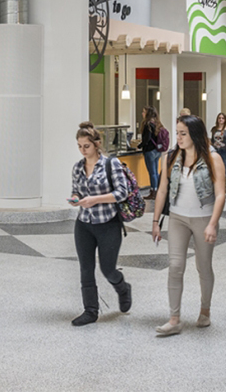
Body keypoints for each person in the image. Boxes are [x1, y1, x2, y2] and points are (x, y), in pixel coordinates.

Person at [152, 114, 226, 336]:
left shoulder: (213, 159)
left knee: (203, 266)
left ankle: (205, 310)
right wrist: (155, 221)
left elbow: (221, 194)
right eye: (177, 133)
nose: (179, 138)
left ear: (195, 134)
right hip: (177, 218)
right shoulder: (171, 157)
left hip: (204, 219)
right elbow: (162, 190)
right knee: (175, 266)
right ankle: (174, 319)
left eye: (183, 133)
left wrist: (213, 224)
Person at [69, 121, 132, 327]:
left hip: (108, 223)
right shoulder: (78, 167)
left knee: (108, 269)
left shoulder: (110, 164)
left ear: (96, 144)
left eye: (86, 146)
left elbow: (122, 192)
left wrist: (95, 200)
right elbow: (77, 189)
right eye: (79, 146)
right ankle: (90, 311)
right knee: (86, 269)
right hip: (84, 224)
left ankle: (123, 287)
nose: (82, 150)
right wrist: (76, 198)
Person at [139, 106, 164, 200]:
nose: (142, 113)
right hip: (157, 150)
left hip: (149, 150)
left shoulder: (147, 124)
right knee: (155, 171)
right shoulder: (157, 123)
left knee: (152, 172)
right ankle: (157, 190)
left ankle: (153, 192)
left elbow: (147, 138)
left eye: (144, 112)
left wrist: (139, 146)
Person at [210, 112, 226, 188]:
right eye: (219, 118)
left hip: (225, 151)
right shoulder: (214, 129)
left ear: (225, 119)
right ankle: (217, 185)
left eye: (222, 118)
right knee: (215, 168)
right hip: (216, 151)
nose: (221, 120)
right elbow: (212, 141)